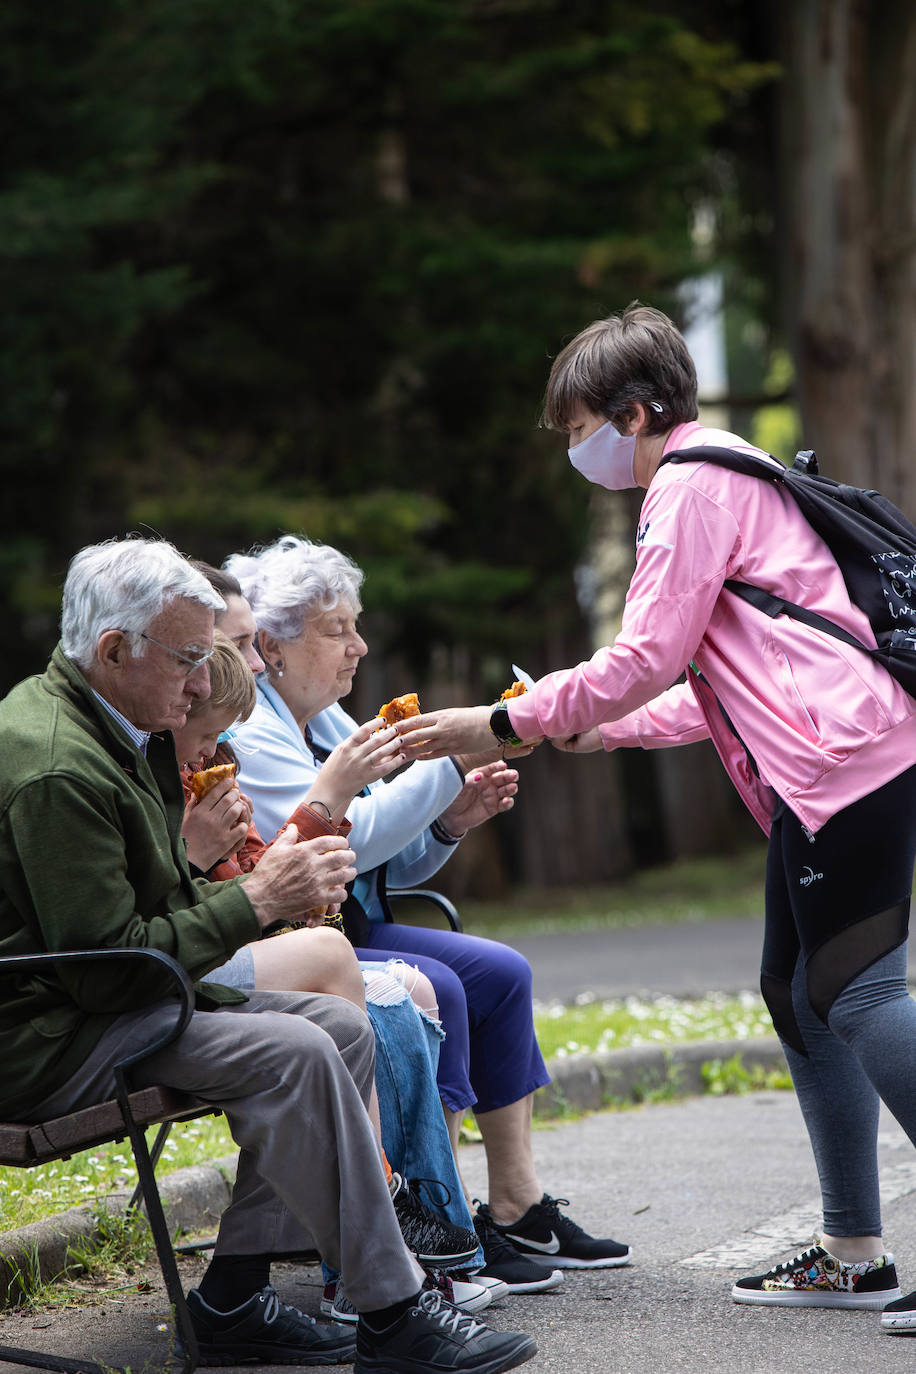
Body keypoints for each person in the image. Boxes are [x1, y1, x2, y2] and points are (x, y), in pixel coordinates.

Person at [394, 301, 916, 1332]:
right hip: (826, 753)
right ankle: (853, 1250)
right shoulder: (723, 471)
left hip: (836, 760)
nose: (575, 448)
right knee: (800, 995)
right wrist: (599, 730)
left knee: (857, 996)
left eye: (579, 426)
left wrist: (502, 720)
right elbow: (724, 674)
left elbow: (641, 657)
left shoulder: (687, 484)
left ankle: (857, 1244)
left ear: (631, 415)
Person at [0, 535, 536, 1374]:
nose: (202, 679)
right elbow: (107, 969)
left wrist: (228, 892)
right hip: (48, 1036)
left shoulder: (116, 722)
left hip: (101, 1004)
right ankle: (395, 1313)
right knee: (296, 1046)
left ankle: (234, 1299)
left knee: (340, 1029)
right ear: (112, 650)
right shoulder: (63, 764)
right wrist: (253, 901)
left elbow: (146, 907)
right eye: (187, 658)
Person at [224, 534, 633, 1291]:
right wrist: (458, 758)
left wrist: (451, 821)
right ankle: (433, 1228)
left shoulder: (330, 722)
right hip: (296, 941)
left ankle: (515, 1205)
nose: (358, 645)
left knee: (501, 973)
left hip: (345, 928)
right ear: (273, 647)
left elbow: (379, 856)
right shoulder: (250, 731)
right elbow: (349, 834)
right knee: (435, 985)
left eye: (356, 624)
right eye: (336, 629)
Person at [172, 629, 495, 1313]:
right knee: (346, 982)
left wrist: (441, 826)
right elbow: (195, 901)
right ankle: (388, 1223)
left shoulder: (242, 741)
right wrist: (328, 800)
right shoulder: (198, 754)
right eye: (240, 640)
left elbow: (271, 873)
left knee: (400, 996)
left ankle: (448, 1234)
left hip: (243, 946)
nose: (252, 662)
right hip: (171, 974)